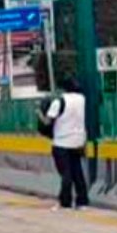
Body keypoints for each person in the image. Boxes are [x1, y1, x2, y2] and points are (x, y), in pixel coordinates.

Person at [37, 78, 89, 210]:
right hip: (78, 141)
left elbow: (48, 122)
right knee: (78, 171)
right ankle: (82, 202)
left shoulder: (59, 101)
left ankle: (65, 202)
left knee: (66, 173)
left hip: (62, 142)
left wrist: (39, 114)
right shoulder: (82, 99)